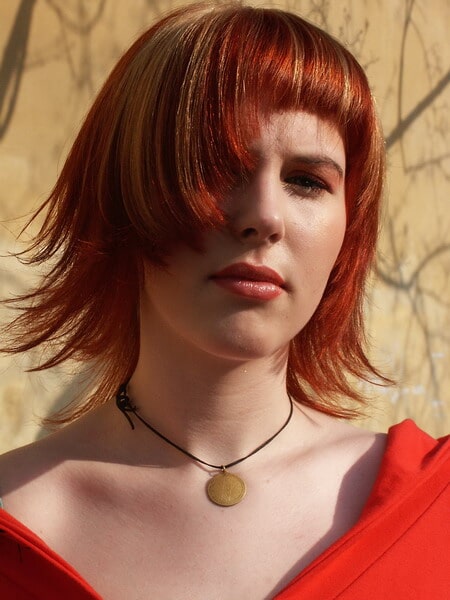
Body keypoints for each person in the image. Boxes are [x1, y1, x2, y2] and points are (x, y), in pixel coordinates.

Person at [0, 2, 448, 598]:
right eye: (216, 165)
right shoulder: (16, 519)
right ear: (120, 192)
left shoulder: (434, 511)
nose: (265, 216)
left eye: (307, 181)